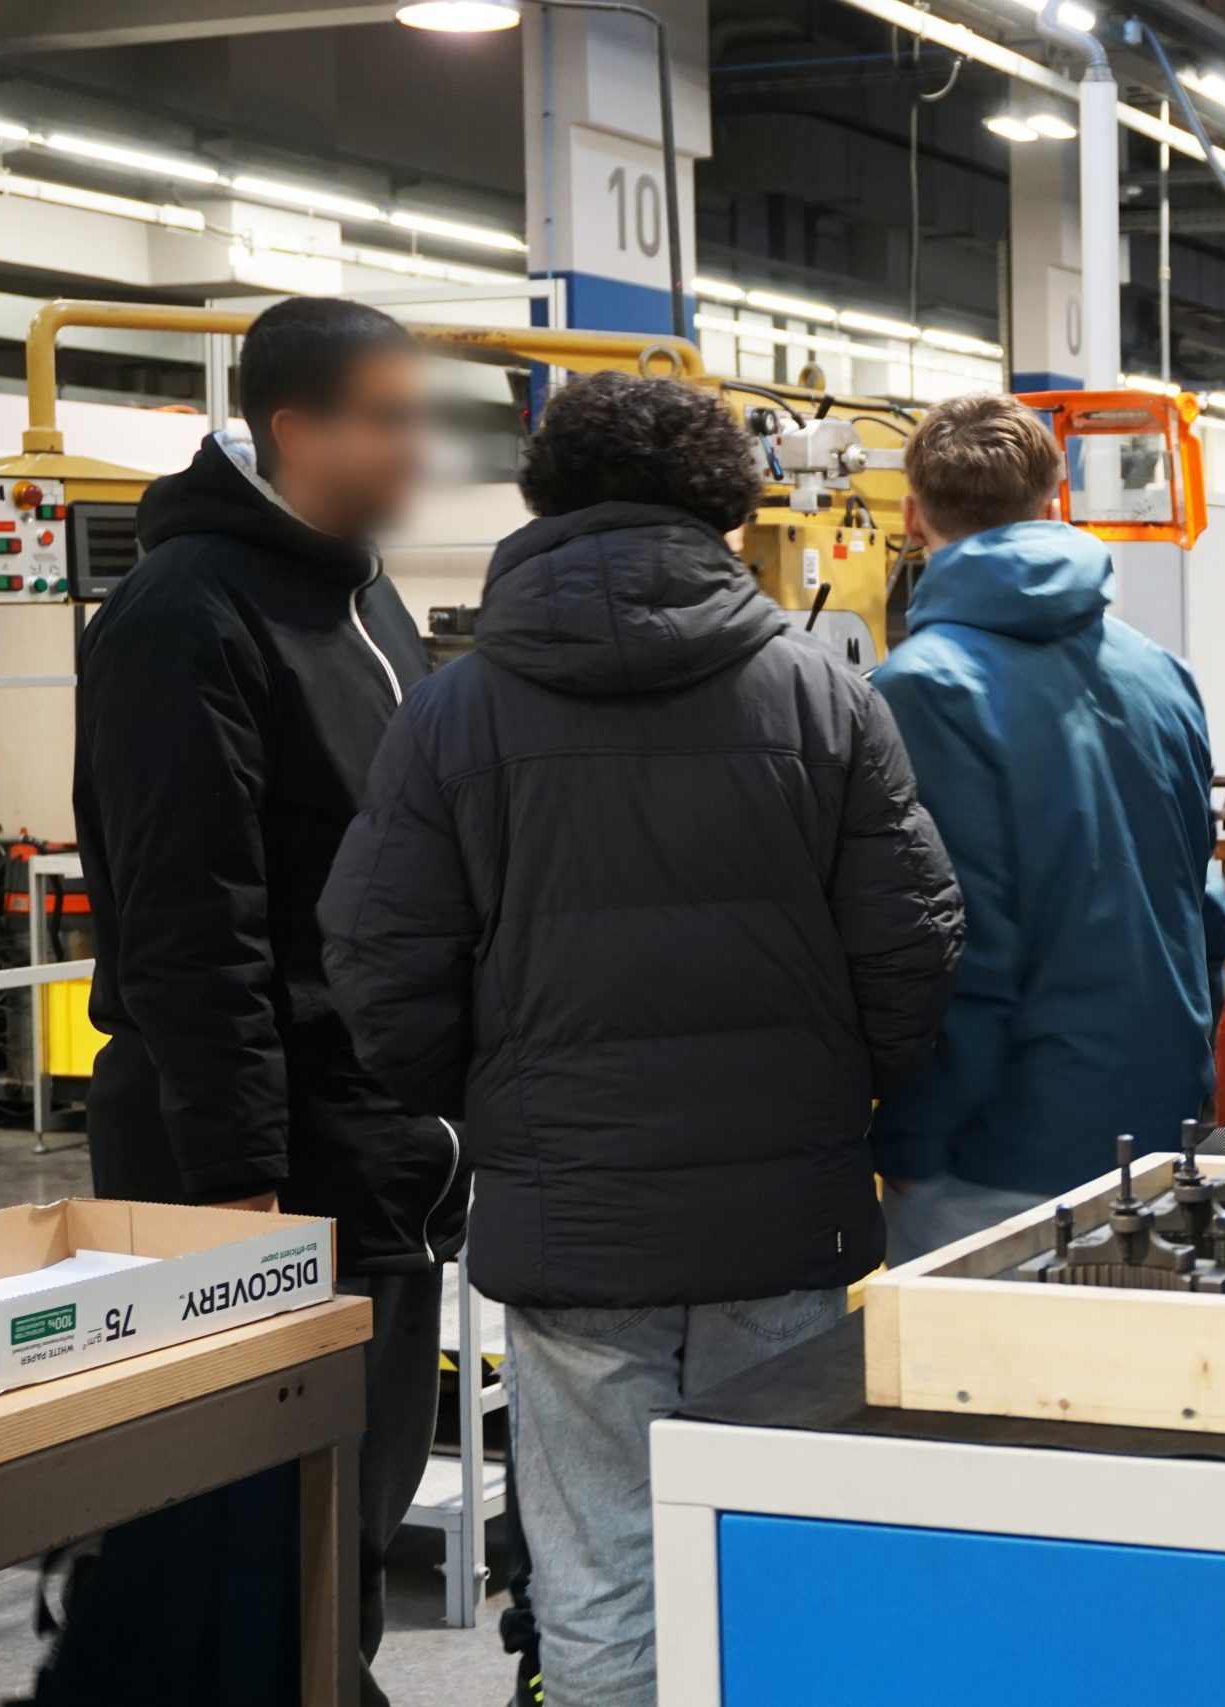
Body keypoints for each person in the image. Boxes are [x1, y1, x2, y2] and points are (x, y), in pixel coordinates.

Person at [319, 370, 963, 1707]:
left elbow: (380, 964)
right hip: (780, 1208)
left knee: (600, 1568)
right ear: (727, 507)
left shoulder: (452, 711)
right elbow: (912, 944)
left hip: (574, 1210)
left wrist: (499, 1104)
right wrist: (831, 1094)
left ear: (547, 498)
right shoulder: (822, 693)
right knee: (764, 1548)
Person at [52, 297, 463, 1707]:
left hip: (379, 1152)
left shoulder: (362, 597)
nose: (418, 450)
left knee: (344, 1542)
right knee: (260, 1564)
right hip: (260, 1171)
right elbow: (191, 918)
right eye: (391, 419)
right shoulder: (185, 613)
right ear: (296, 428)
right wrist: (237, 1189)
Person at [872, 392, 1225, 1260]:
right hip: (1159, 1133)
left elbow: (960, 947)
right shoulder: (1160, 671)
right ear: (1055, 498)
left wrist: (912, 1139)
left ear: (912, 516)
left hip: (997, 1157)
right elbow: (1205, 913)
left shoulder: (921, 687)